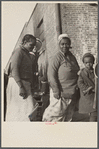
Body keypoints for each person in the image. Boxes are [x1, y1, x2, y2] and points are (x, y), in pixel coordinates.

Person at [42, 34, 80, 122]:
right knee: (54, 117)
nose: (65, 46)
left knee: (68, 117)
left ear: (69, 45)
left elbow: (77, 71)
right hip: (60, 93)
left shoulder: (72, 57)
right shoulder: (57, 57)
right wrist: (56, 90)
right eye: (62, 44)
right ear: (59, 45)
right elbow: (51, 75)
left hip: (72, 92)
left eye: (67, 44)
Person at [5, 34, 38, 121]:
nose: (33, 47)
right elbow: (14, 69)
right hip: (18, 84)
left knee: (26, 109)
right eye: (31, 45)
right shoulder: (18, 51)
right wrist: (21, 87)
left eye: (34, 45)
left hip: (24, 83)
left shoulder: (26, 53)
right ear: (24, 42)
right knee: (21, 110)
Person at [78, 53, 97, 122]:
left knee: (95, 111)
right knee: (94, 111)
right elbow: (80, 83)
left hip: (95, 94)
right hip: (88, 95)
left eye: (90, 62)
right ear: (83, 63)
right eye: (86, 63)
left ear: (93, 62)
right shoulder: (82, 73)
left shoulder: (95, 71)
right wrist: (89, 88)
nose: (88, 64)